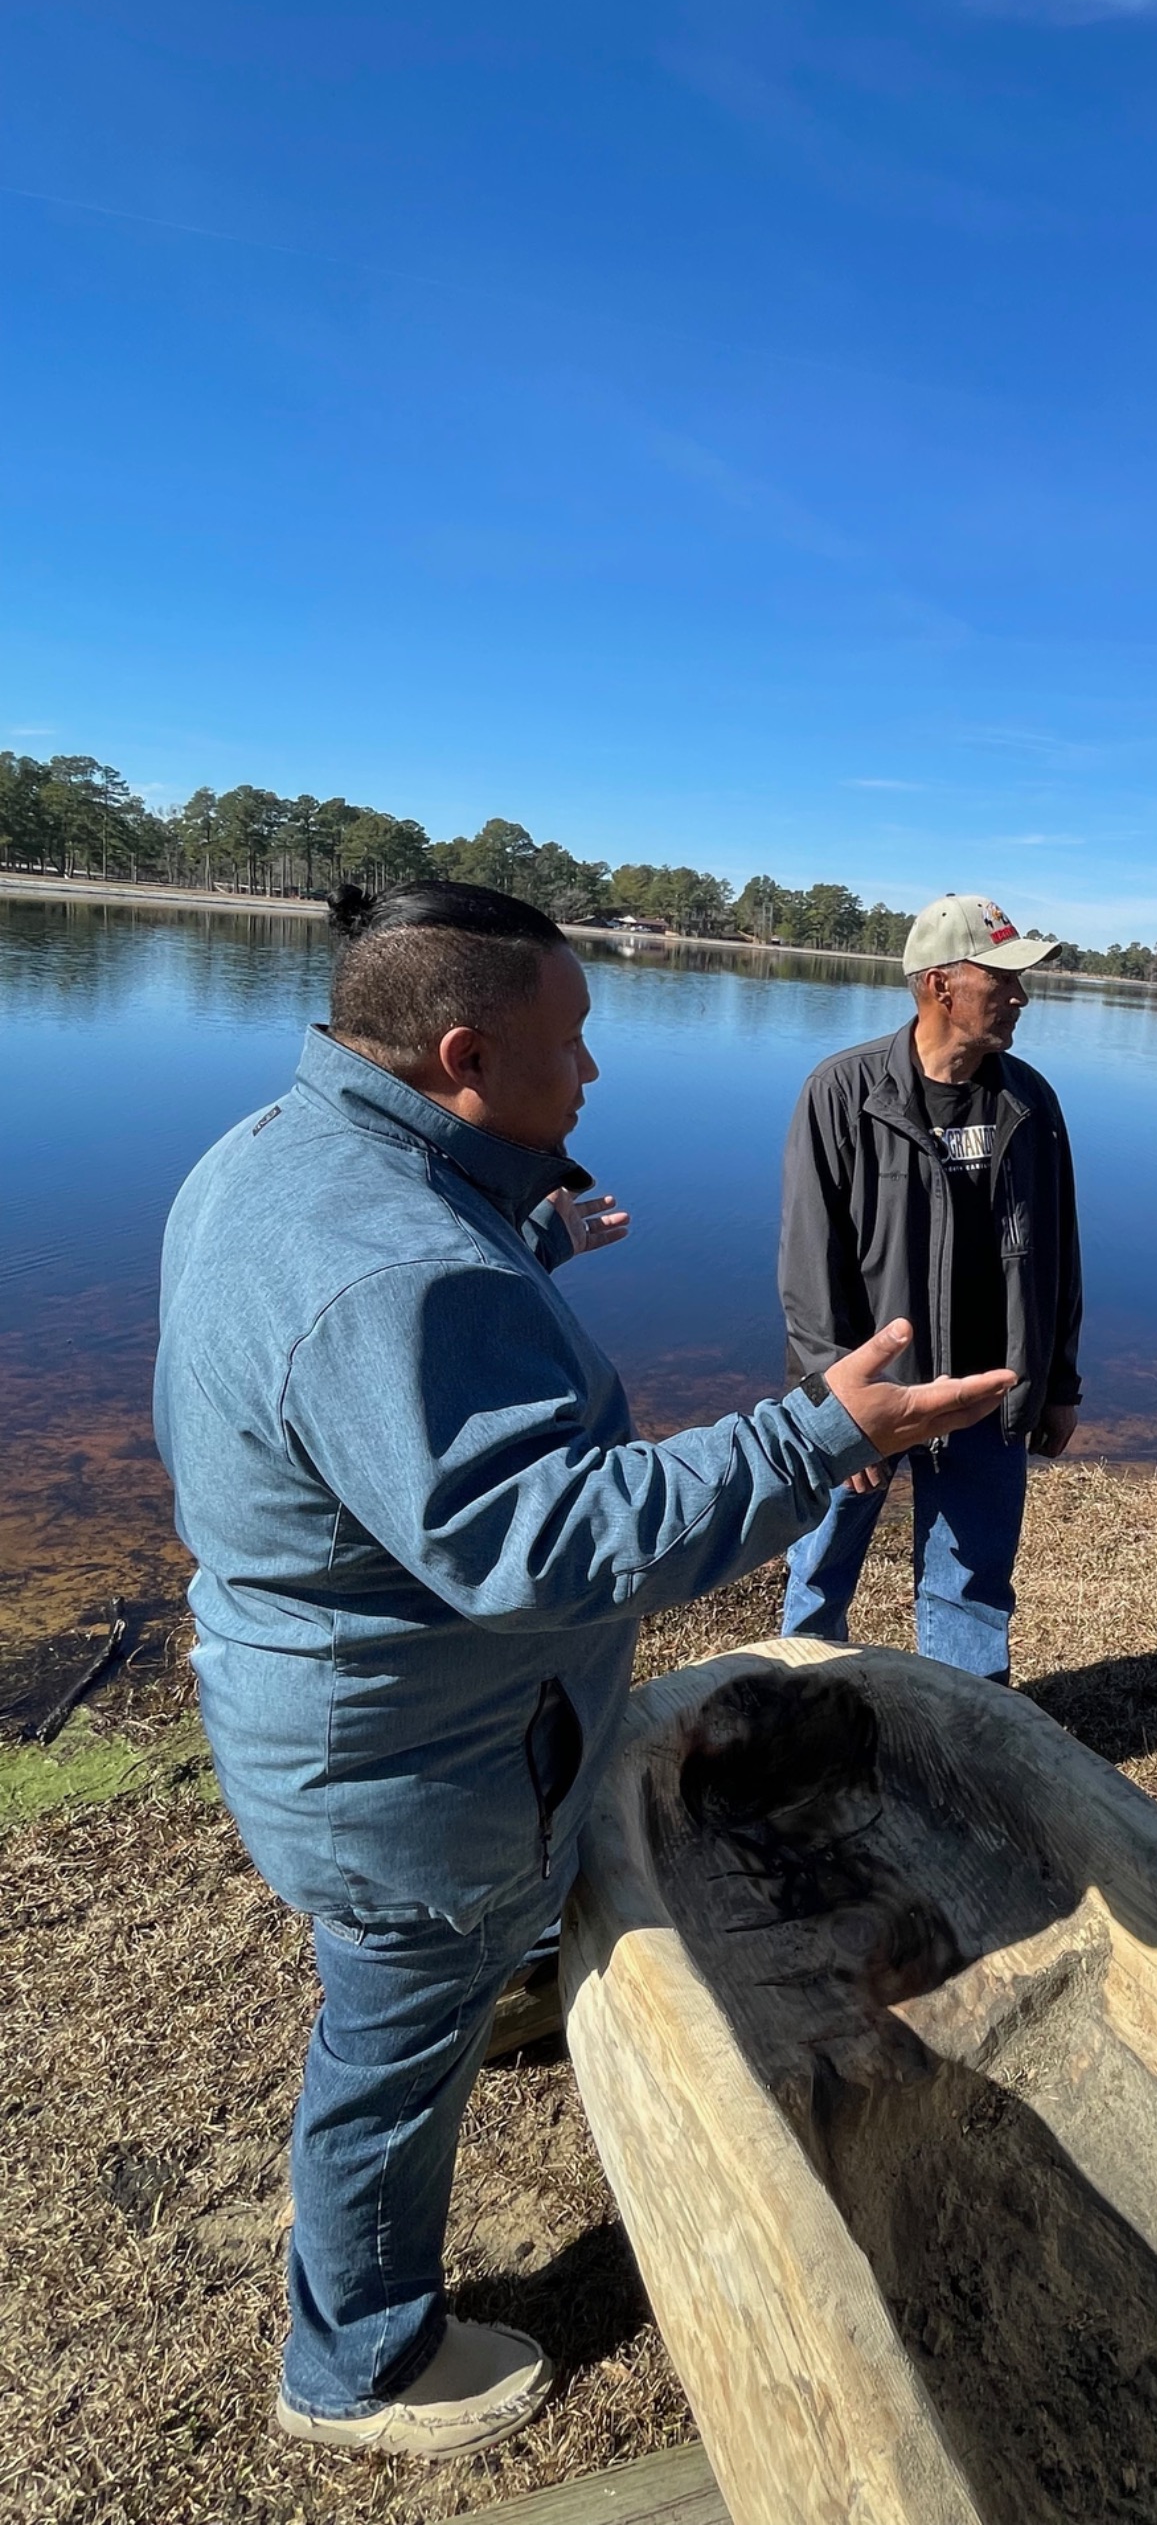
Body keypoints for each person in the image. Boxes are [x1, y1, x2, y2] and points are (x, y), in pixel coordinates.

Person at [152, 881, 1015, 2460]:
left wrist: (523, 1237)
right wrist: (814, 1437)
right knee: (386, 2064)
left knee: (421, 1986)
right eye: (574, 1039)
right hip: (409, 1769)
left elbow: (372, 1371)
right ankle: (358, 2363)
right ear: (465, 1055)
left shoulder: (284, 1155)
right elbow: (545, 1538)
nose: (595, 1072)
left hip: (356, 1715)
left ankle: (494, 1988)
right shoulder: (394, 1262)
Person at [777, 891, 1083, 1681]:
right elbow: (810, 1268)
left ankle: (963, 1732)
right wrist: (832, 1411)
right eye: (1002, 979)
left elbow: (1059, 1252)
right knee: (818, 1574)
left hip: (986, 1394)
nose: (1021, 995)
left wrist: (1057, 1383)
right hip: (870, 1393)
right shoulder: (843, 1093)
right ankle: (798, 1713)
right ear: (940, 985)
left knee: (972, 1591)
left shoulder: (1031, 1101)